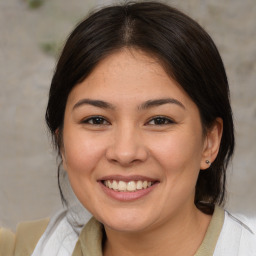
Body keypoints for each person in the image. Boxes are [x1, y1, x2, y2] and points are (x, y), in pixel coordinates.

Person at [1, 1, 255, 255]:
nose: (124, 153)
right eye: (96, 120)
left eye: (159, 120)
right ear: (62, 143)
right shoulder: (23, 249)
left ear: (209, 141)